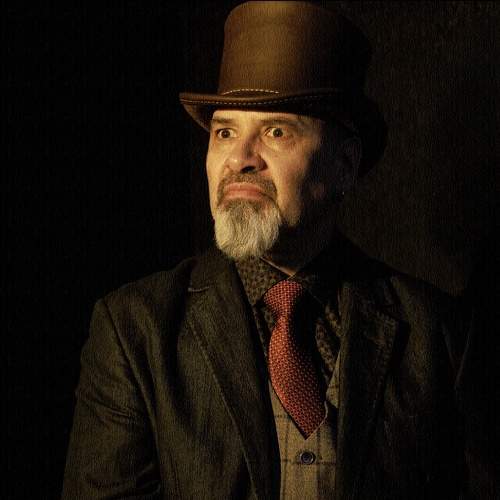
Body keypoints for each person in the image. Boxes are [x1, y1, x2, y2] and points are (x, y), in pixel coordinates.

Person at [62, 2, 494, 499]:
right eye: (225, 132)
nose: (240, 159)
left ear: (344, 163)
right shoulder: (135, 329)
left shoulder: (437, 334)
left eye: (276, 131)